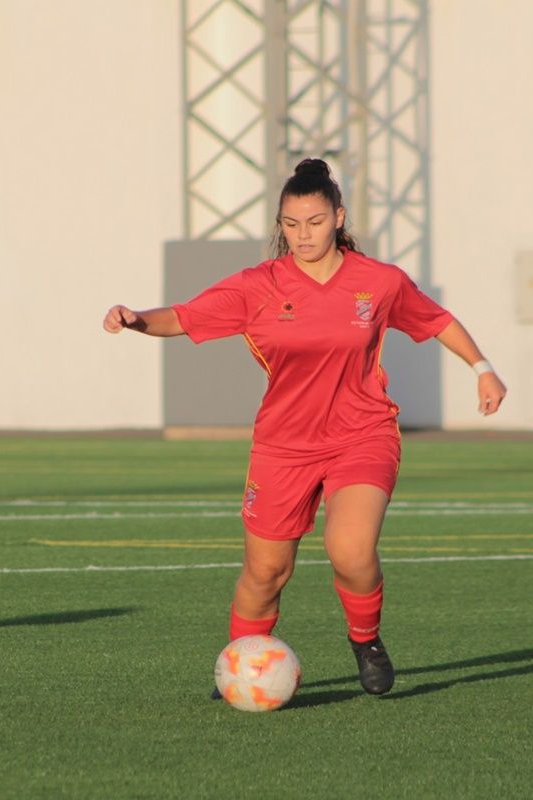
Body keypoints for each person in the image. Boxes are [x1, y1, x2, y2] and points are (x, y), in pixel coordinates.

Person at [103, 158, 506, 697]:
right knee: (265, 573)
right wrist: (136, 320)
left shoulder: (378, 282)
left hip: (362, 433)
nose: (302, 235)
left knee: (351, 550)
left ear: (338, 217)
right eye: (290, 225)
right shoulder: (258, 286)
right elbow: (182, 316)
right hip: (283, 445)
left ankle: (366, 640)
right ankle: (240, 665)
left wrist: (482, 368)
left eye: (314, 221)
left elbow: (436, 321)